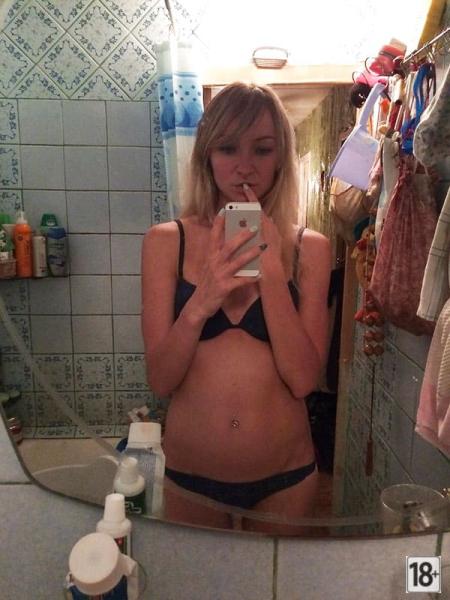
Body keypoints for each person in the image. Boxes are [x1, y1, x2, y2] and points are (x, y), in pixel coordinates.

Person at [141, 82, 331, 533]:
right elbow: (161, 380)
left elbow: (304, 379)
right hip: (191, 478)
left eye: (262, 149)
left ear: (281, 157)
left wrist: (272, 273)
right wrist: (201, 300)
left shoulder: (311, 248)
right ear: (207, 155)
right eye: (228, 148)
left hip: (286, 477)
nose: (245, 165)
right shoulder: (166, 241)